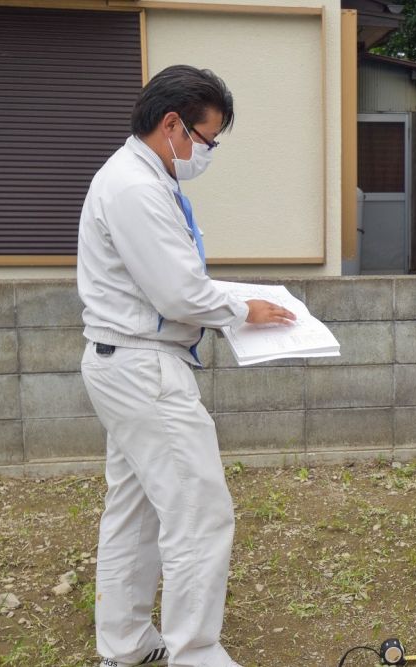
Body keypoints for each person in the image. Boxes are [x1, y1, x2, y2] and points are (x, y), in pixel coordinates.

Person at [78, 65, 296, 667]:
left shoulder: (139, 178)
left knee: (137, 511)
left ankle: (125, 646)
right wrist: (243, 307)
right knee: (199, 512)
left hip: (123, 361)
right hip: (143, 367)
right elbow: (178, 292)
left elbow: (171, 281)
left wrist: (222, 300)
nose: (207, 152)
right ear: (172, 124)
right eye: (206, 139)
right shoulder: (135, 188)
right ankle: (195, 652)